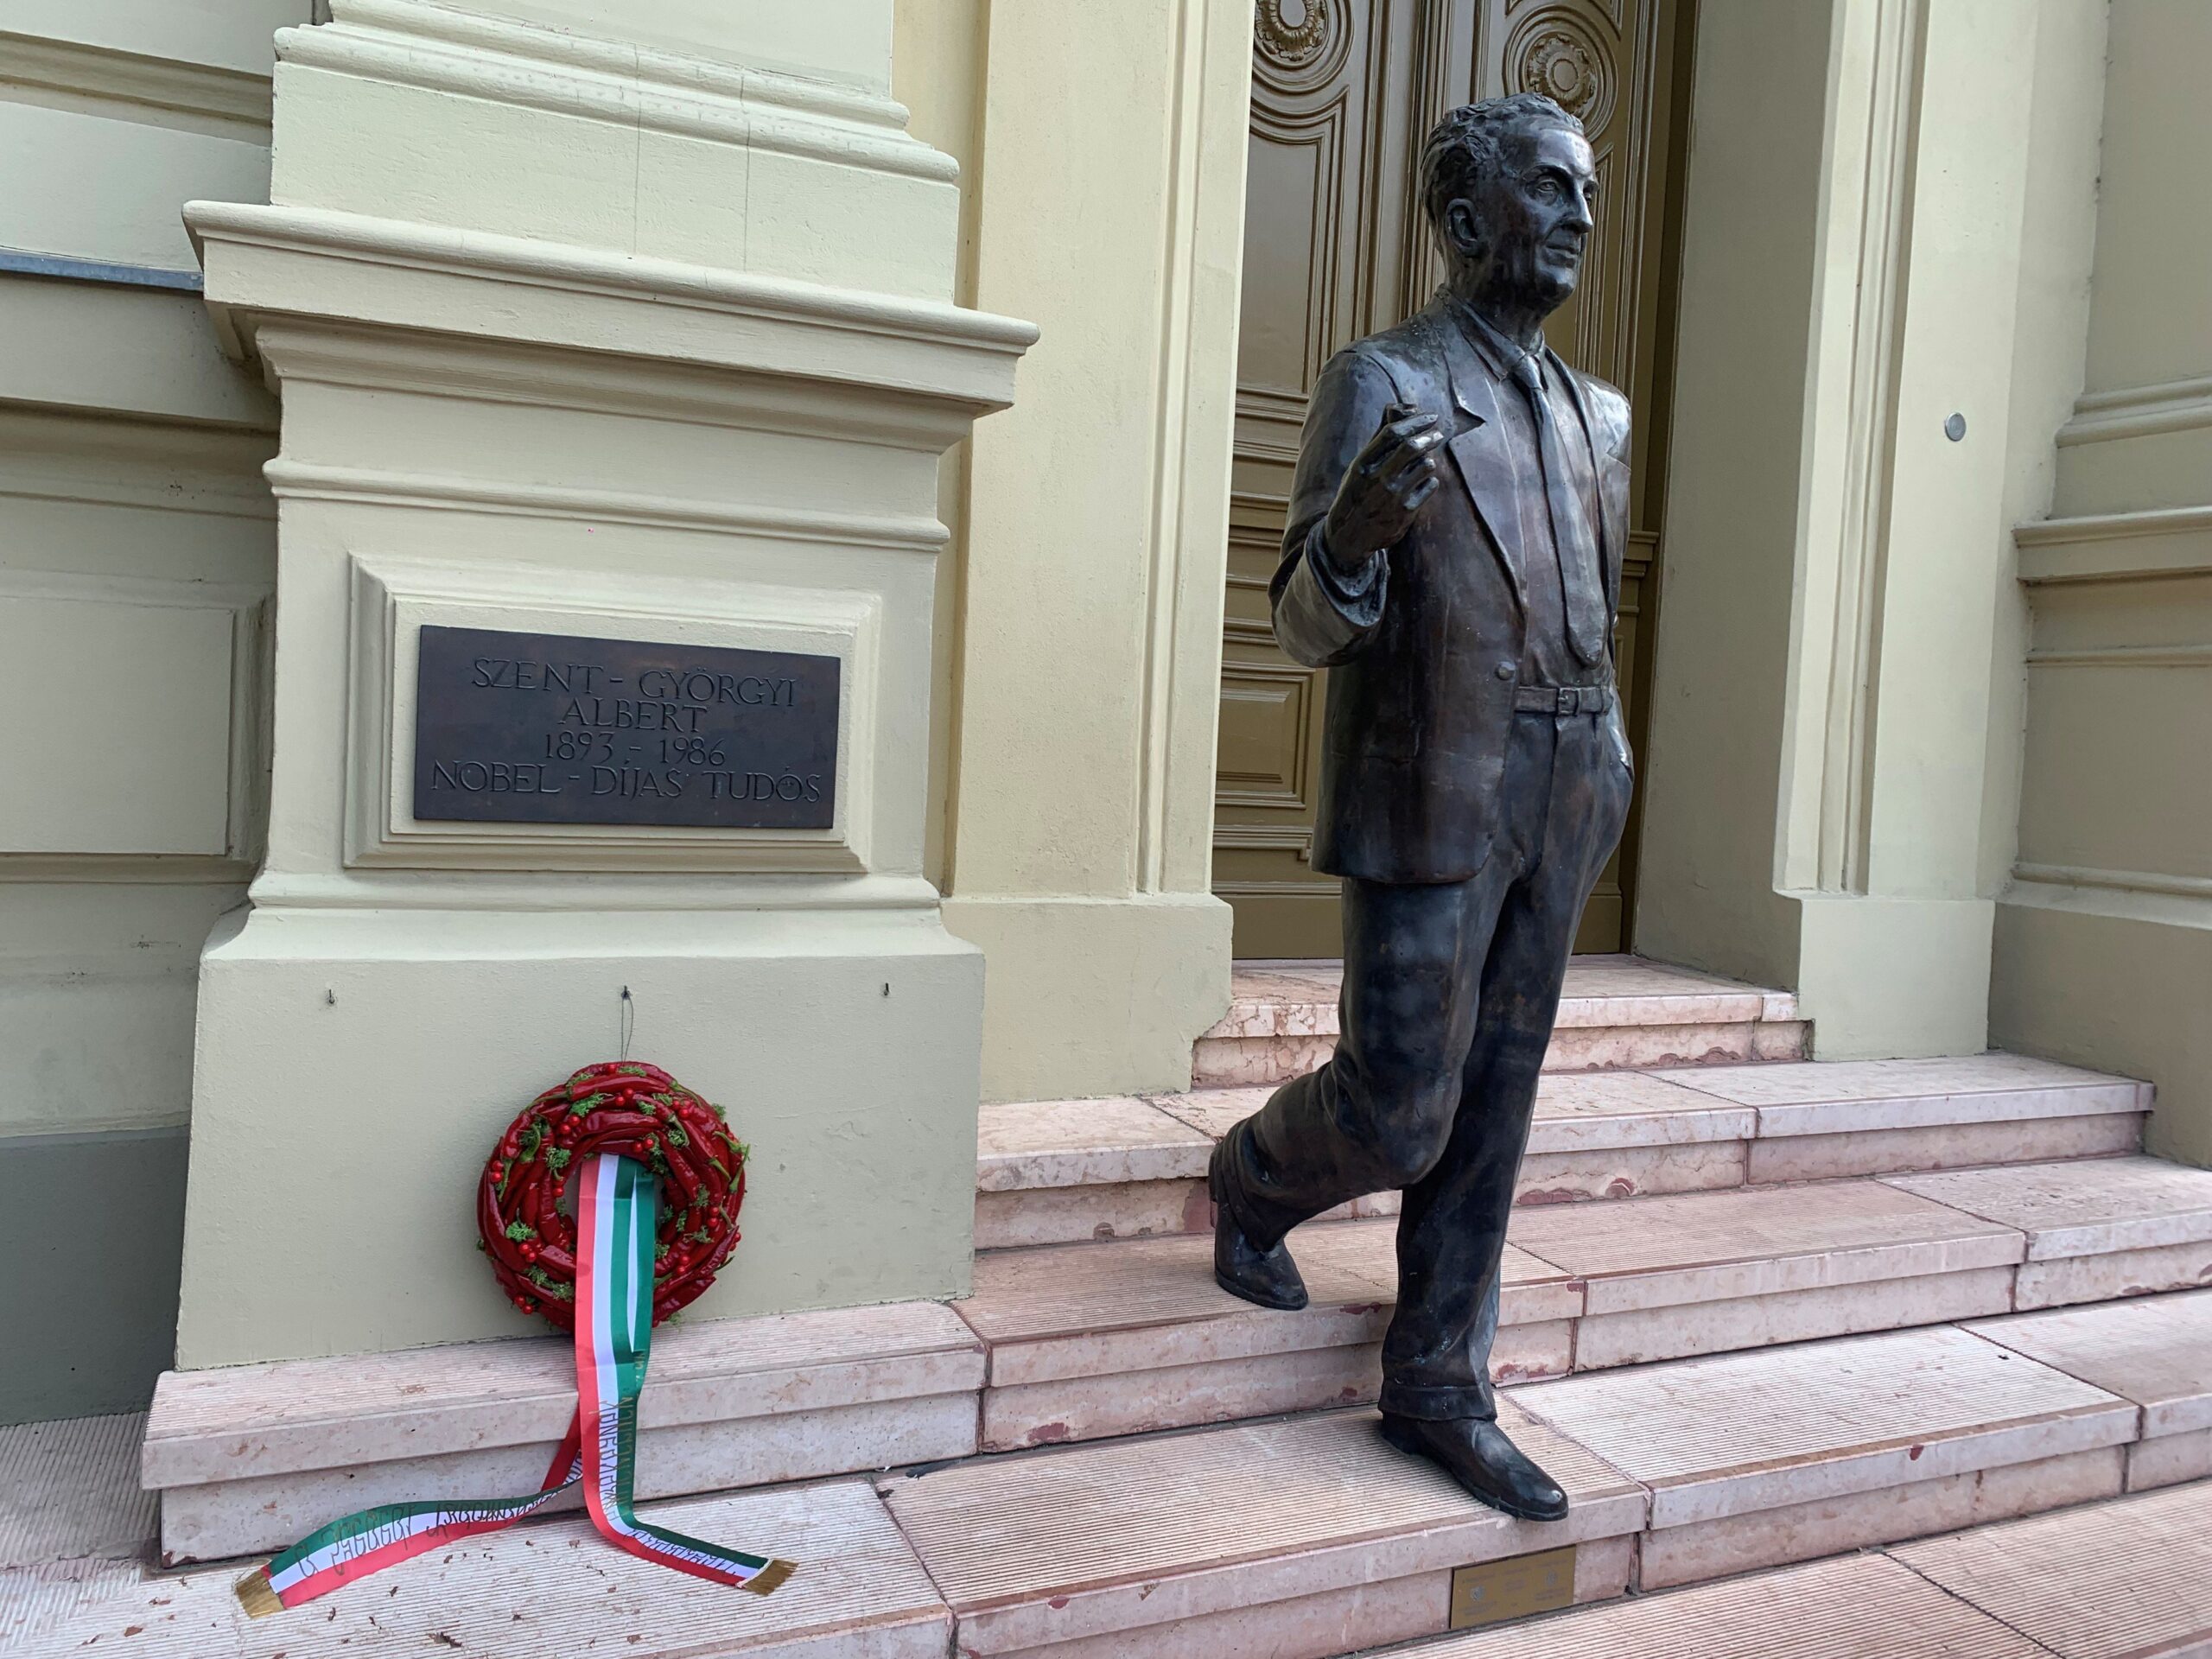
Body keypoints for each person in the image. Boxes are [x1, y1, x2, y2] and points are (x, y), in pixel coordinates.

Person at [1208, 92, 1634, 1523]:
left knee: (1498, 1099)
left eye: (1587, 192)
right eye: (1548, 188)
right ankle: (1255, 1177)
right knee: (1401, 1110)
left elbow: (1589, 615)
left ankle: (1441, 1382)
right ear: (1463, 219)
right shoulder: (1382, 383)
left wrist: (1609, 760)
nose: (1579, 216)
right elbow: (1301, 624)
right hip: (1433, 782)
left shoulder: (1603, 418)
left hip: (1567, 785)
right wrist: (1353, 536)